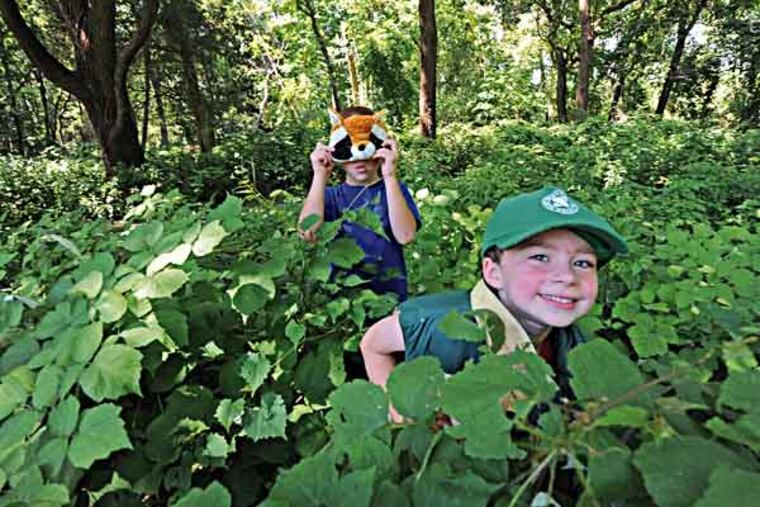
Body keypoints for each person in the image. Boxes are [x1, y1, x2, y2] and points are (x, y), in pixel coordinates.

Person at [359, 186, 628, 422]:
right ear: (493, 272)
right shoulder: (443, 325)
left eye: (582, 263)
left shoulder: (574, 343)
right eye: (540, 257)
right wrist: (400, 414)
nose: (568, 277)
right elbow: (373, 343)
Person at [298, 106, 421, 303]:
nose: (360, 159)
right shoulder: (329, 196)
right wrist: (320, 174)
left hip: (390, 298)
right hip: (343, 302)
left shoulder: (394, 190)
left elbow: (405, 236)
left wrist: (389, 175)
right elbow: (306, 232)